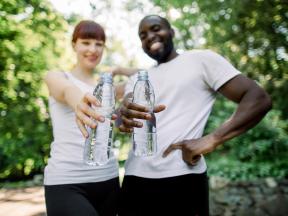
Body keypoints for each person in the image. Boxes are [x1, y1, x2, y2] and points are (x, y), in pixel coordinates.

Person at [115, 15, 272, 216]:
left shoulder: (200, 60)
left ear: (171, 32)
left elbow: (258, 98)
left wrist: (213, 139)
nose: (150, 37)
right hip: (135, 179)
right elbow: (121, 121)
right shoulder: (138, 78)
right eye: (143, 35)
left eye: (156, 29)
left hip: (182, 178)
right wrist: (124, 114)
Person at [44, 20, 135, 216]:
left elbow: (147, 75)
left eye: (99, 44)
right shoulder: (57, 77)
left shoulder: (109, 88)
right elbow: (68, 91)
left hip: (108, 180)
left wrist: (118, 70)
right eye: (86, 42)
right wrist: (81, 102)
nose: (92, 49)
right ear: (74, 44)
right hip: (67, 182)